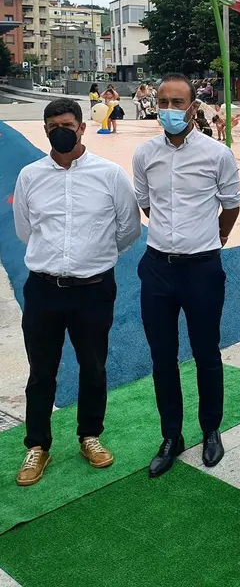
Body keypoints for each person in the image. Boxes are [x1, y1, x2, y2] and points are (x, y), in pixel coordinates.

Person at [12, 98, 141, 487]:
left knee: (93, 365)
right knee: (41, 371)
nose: (59, 131)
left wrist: (98, 256)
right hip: (44, 289)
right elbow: (25, 230)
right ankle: (38, 445)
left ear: (82, 127)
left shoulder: (110, 175)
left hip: (93, 289)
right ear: (45, 130)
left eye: (66, 124)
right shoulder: (30, 176)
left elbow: (129, 227)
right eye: (51, 126)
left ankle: (90, 435)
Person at [132, 74, 240, 478]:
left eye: (178, 103)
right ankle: (171, 435)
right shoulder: (144, 154)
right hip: (158, 267)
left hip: (202, 269)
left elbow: (231, 204)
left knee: (206, 352)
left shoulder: (217, 154)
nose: (170, 110)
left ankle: (211, 429)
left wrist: (217, 237)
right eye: (163, 102)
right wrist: (170, 237)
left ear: (193, 108)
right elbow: (146, 203)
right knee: (162, 357)